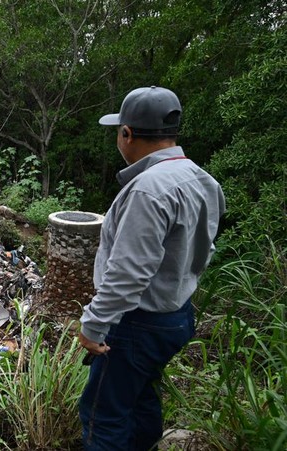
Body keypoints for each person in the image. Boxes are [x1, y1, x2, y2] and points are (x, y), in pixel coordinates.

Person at [78, 86, 225, 450]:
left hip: (136, 323)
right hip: (176, 315)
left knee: (103, 414)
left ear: (127, 133)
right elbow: (205, 249)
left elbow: (129, 274)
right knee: (141, 399)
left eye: (118, 131)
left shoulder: (148, 190)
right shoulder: (203, 180)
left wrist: (94, 326)